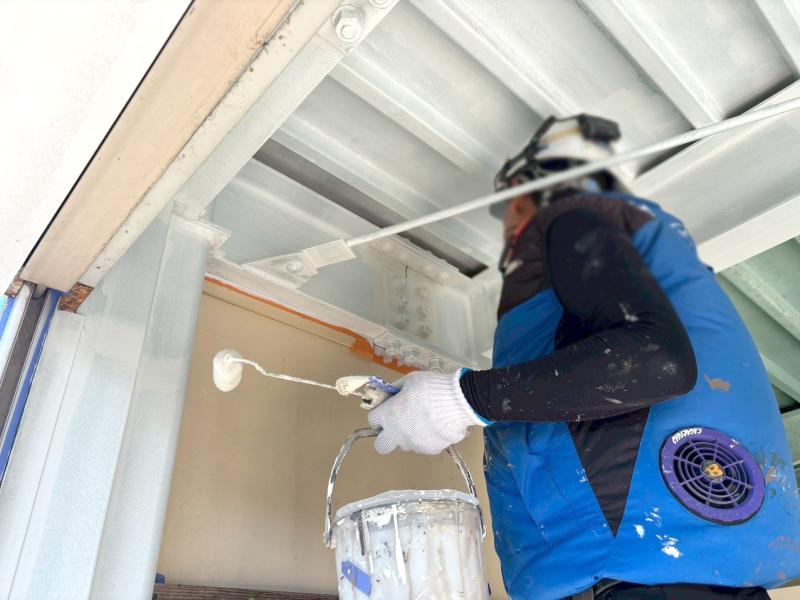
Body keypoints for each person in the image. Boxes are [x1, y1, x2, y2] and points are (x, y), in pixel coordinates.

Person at [367, 115, 800, 599]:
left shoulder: (573, 223)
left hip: (641, 574)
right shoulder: (660, 269)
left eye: (510, 207)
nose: (508, 229)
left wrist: (462, 398)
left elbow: (657, 361)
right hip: (672, 571)